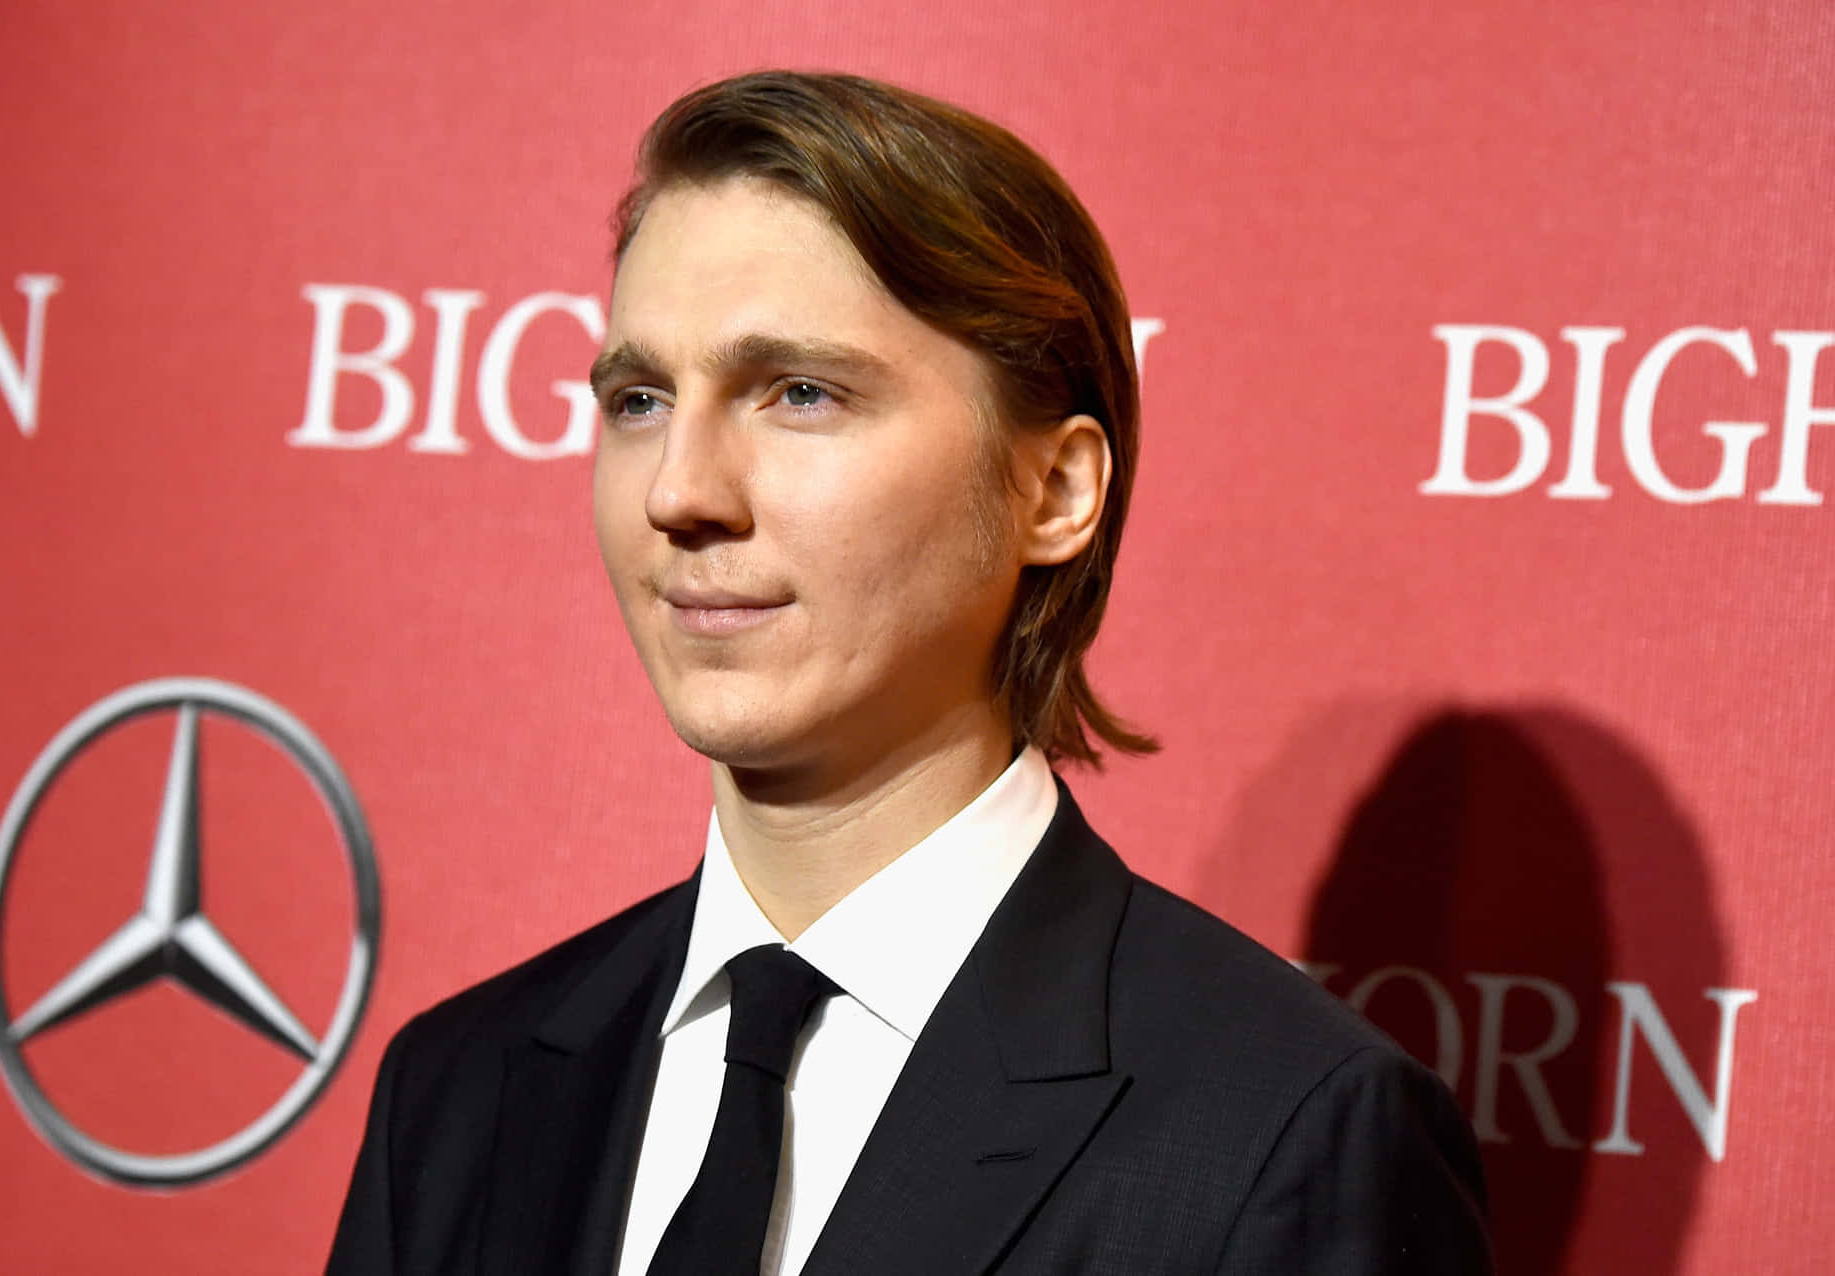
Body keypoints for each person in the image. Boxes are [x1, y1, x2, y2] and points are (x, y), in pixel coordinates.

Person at [326, 70, 1491, 1275]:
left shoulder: (1286, 1135)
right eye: (639, 399)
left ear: (1054, 490)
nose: (679, 491)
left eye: (801, 393)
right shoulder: (459, 1090)